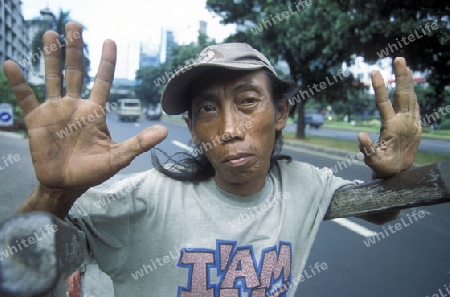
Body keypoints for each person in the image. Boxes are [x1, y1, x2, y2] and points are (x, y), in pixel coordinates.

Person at [3, 22, 421, 296]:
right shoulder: (138, 203)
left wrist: (397, 177)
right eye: (207, 109)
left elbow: (380, 213)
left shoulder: (308, 183)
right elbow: (13, 263)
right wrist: (53, 192)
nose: (228, 128)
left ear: (280, 114)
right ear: (191, 126)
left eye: (248, 101)